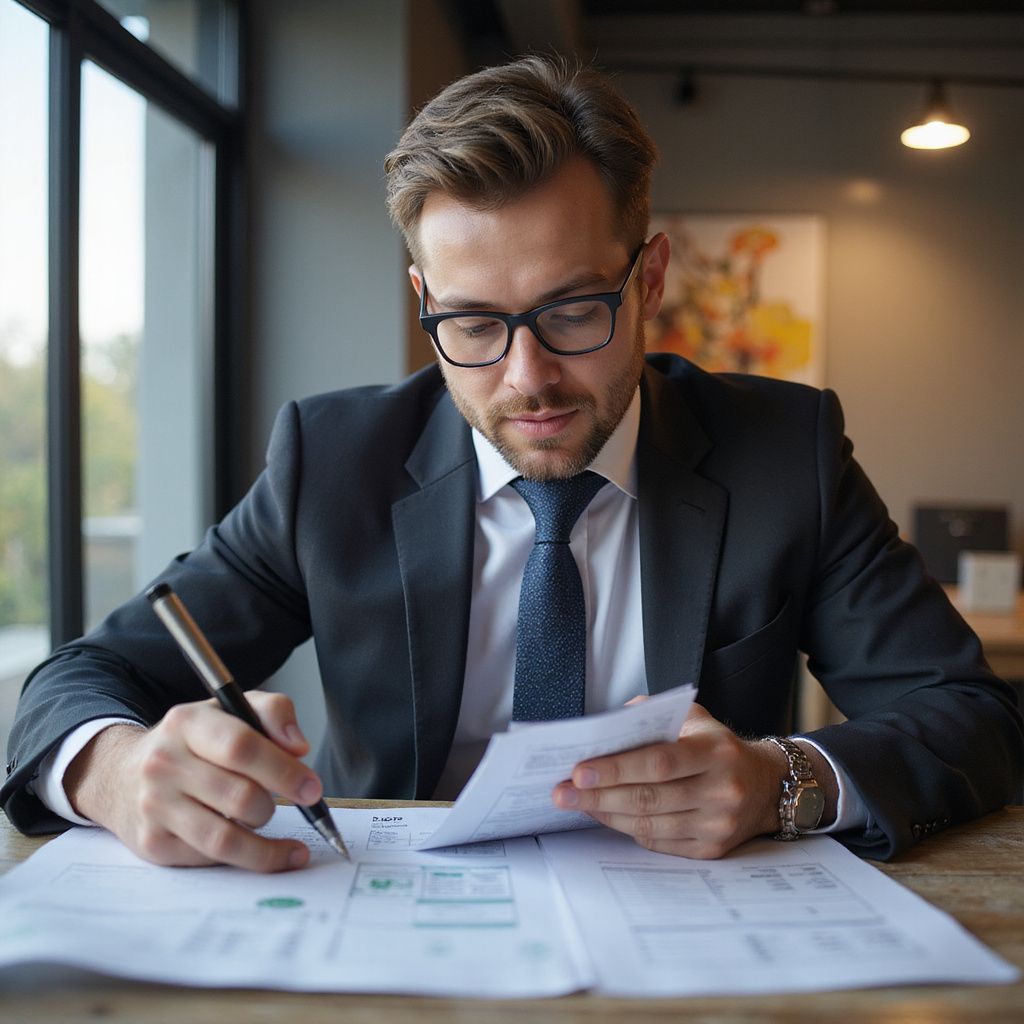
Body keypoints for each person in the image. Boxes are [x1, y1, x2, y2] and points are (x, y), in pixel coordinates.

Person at [3, 57, 1020, 874]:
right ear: (423, 298)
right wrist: (116, 767)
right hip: (386, 932)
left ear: (649, 276)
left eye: (573, 310)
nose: (528, 377)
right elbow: (82, 677)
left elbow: (975, 717)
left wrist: (780, 777)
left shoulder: (781, 453)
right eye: (473, 323)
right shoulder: (333, 462)